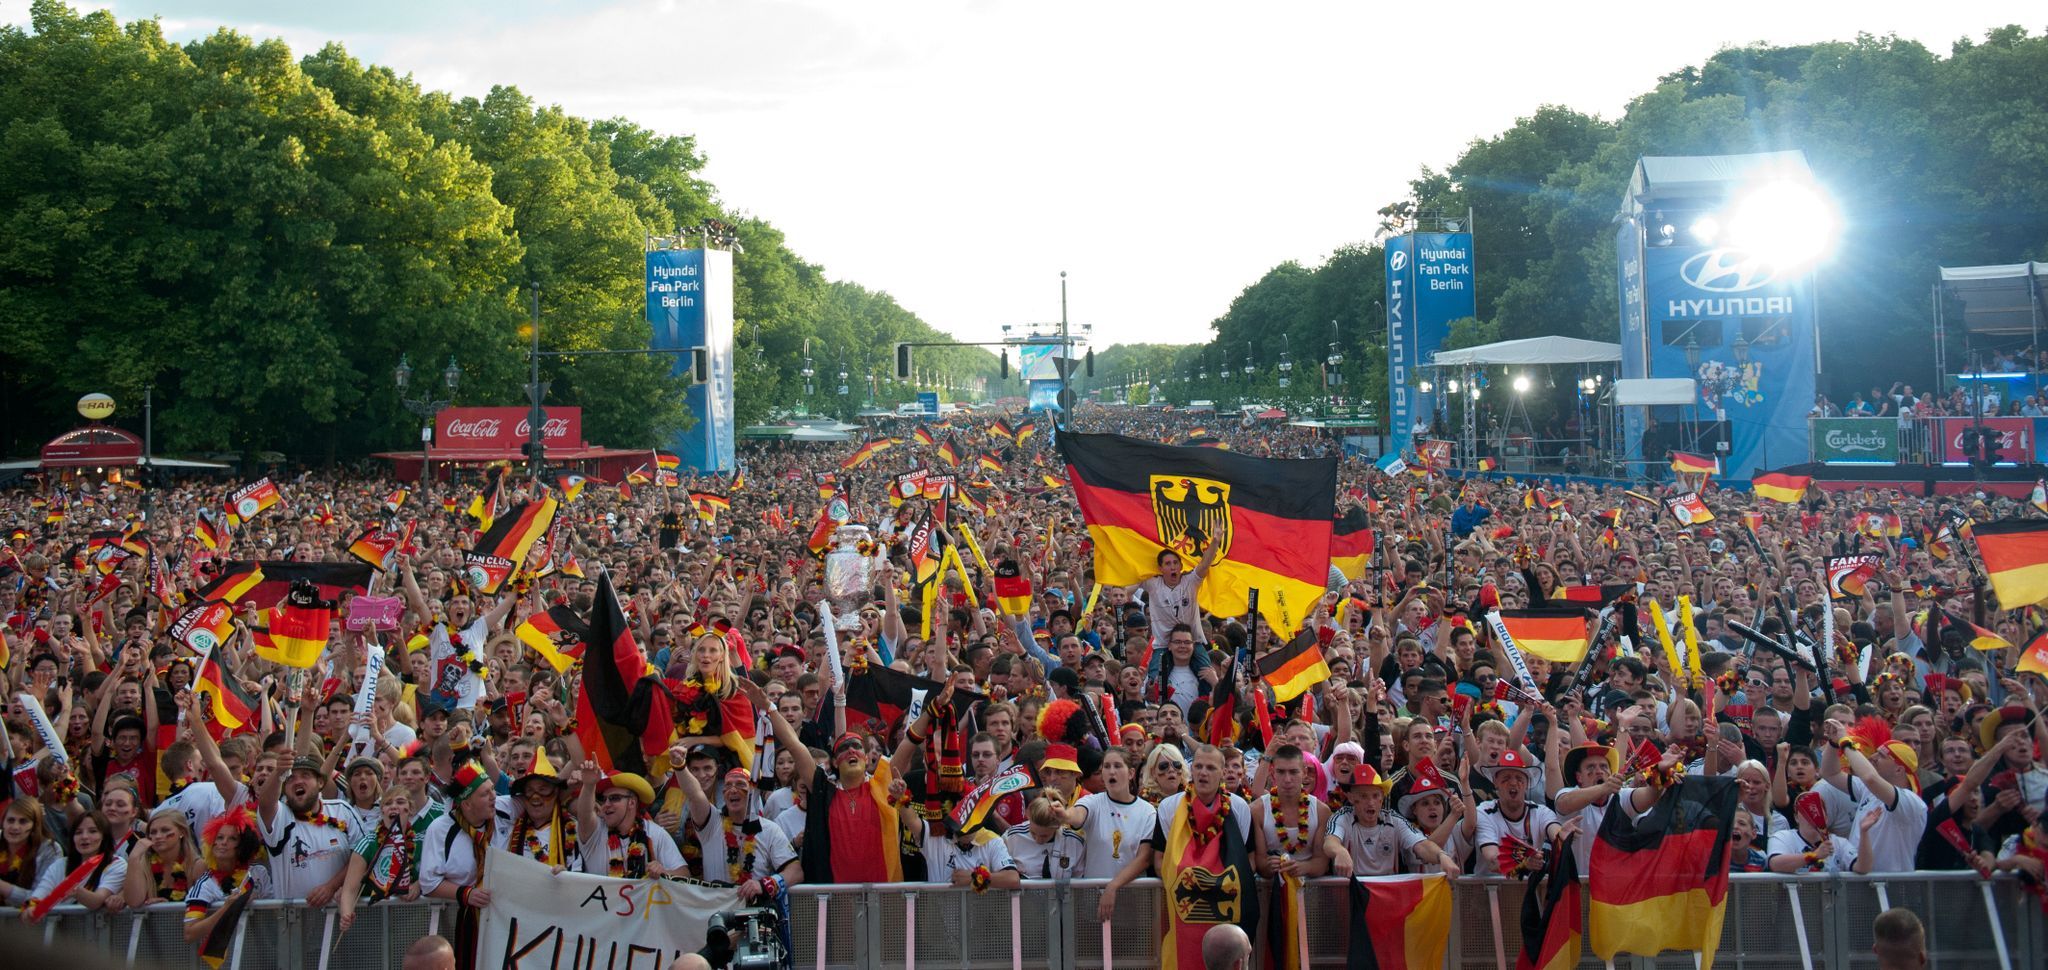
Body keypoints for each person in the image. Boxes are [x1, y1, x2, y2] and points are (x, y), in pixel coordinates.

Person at [1098, 745, 1257, 970]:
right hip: (1185, 906)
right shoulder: (1169, 807)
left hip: (1225, 907)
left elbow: (1249, 858)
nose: (1203, 772)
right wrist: (1185, 883)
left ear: (1222, 772)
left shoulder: (1239, 807)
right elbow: (1159, 859)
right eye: (1198, 766)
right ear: (1190, 770)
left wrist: (1227, 886)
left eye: (1210, 767)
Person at [574, 760, 685, 877]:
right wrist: (589, 785)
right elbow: (584, 814)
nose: (606, 804)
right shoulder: (595, 830)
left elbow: (684, 874)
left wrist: (664, 873)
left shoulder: (654, 833)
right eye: (603, 799)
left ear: (631, 803)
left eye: (614, 798)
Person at [1069, 747, 1157, 879]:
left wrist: (1114, 886)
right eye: (1106, 766)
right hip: (1093, 893)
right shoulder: (1093, 802)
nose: (1111, 772)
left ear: (1131, 773)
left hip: (1132, 893)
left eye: (1117, 766)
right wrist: (1064, 814)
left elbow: (1144, 859)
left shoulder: (1147, 811)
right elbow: (1077, 816)